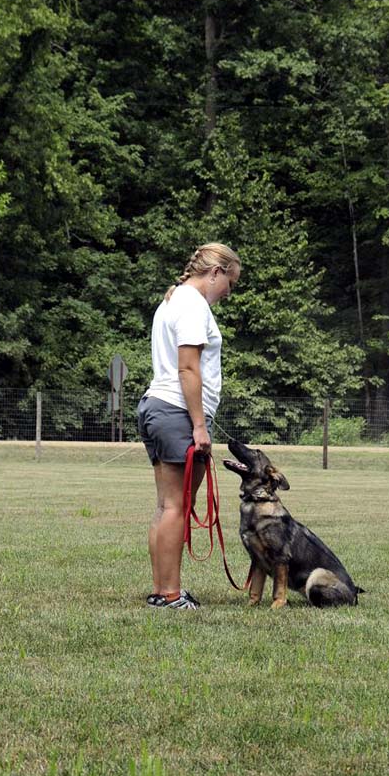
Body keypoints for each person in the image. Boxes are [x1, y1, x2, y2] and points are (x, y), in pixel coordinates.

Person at [137, 243, 241, 609]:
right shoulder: (194, 305)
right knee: (176, 507)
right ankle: (171, 594)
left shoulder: (173, 300)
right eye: (230, 281)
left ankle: (162, 590)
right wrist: (199, 425)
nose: (229, 291)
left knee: (167, 506)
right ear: (215, 272)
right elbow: (188, 368)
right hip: (177, 413)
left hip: (157, 407)